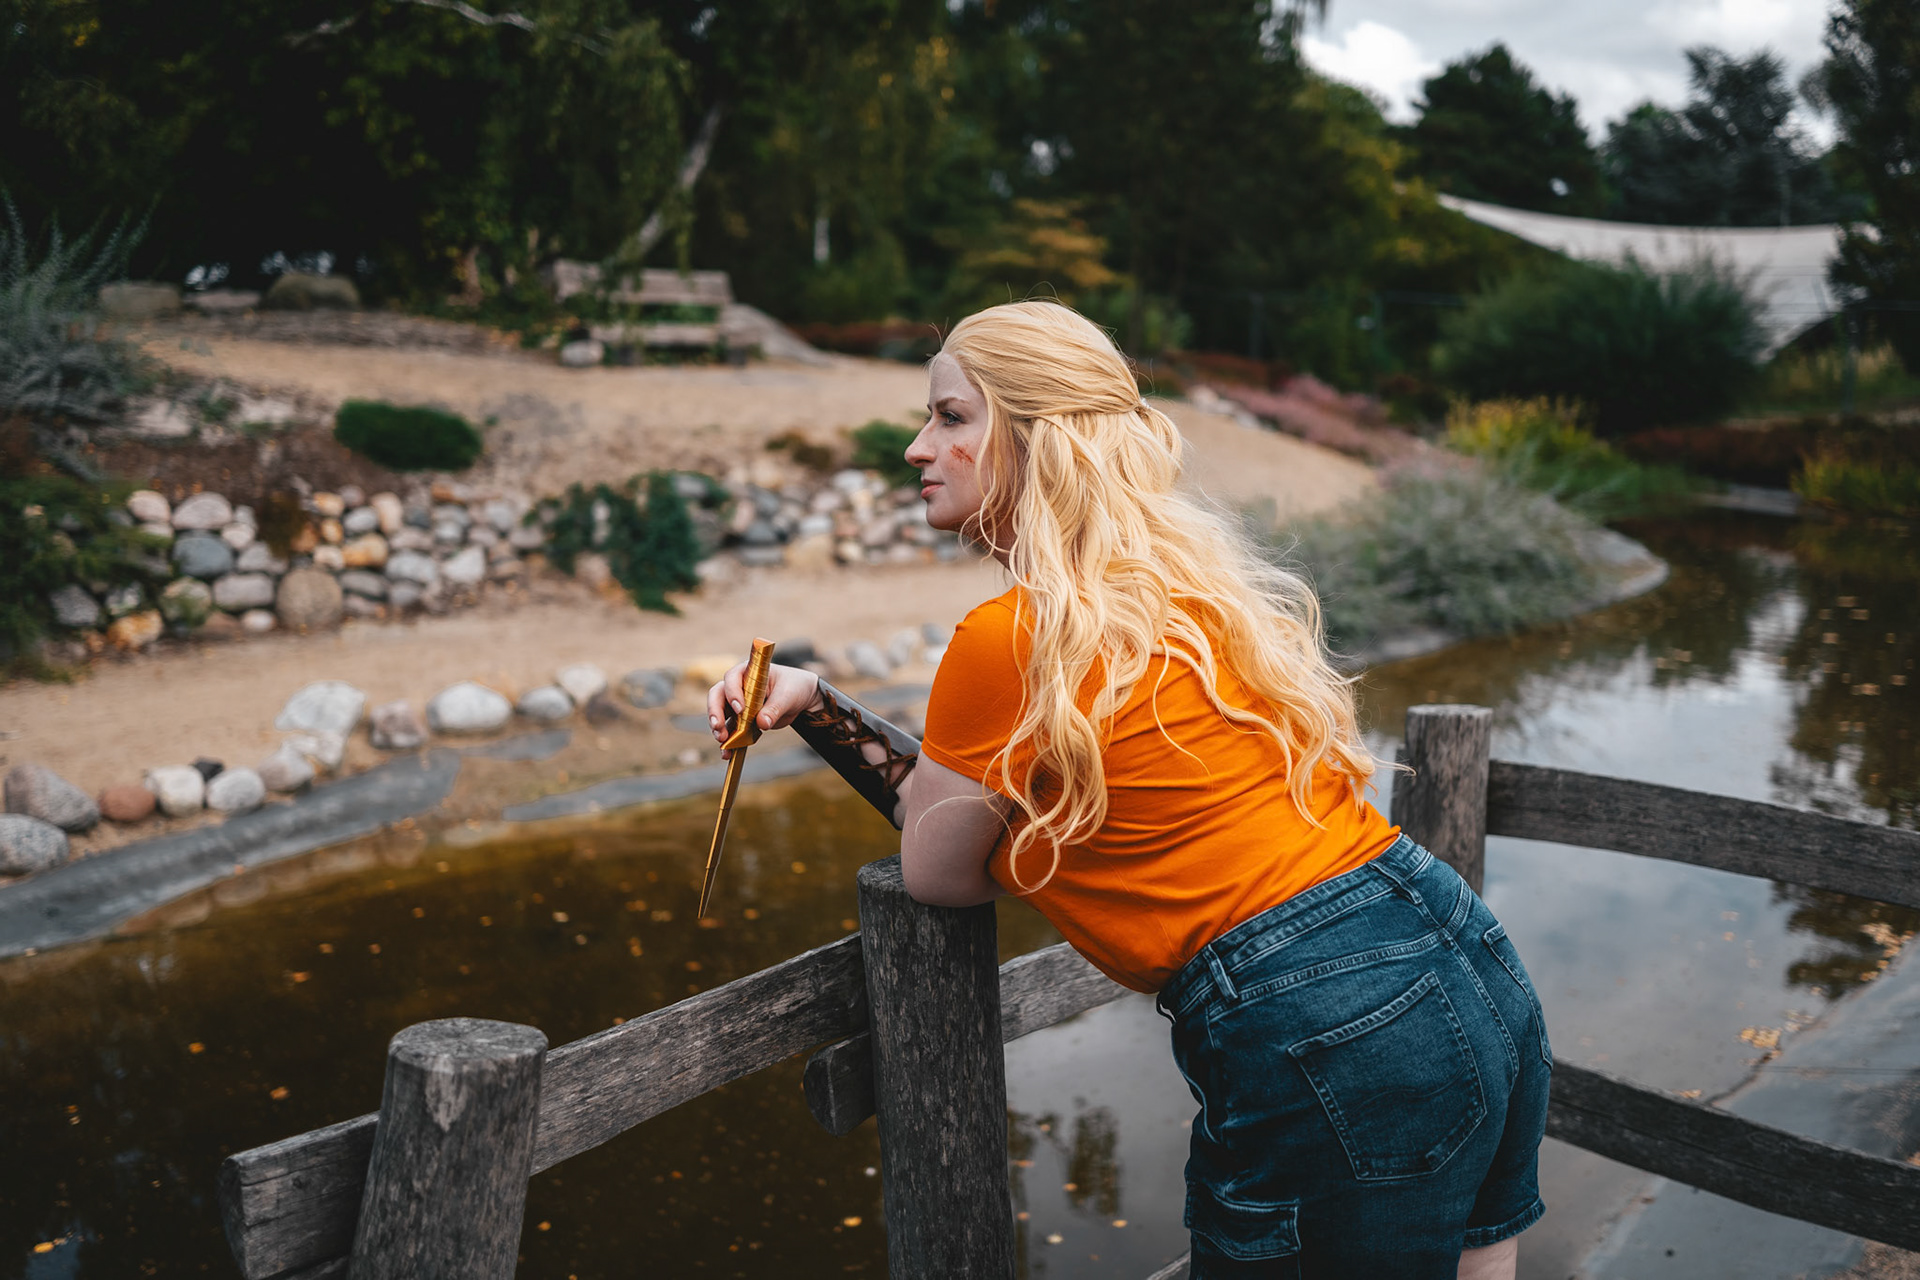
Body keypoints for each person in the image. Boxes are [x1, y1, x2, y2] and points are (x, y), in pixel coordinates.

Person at [709, 300, 1551, 1279]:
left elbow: (936, 868)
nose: (916, 447)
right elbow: (979, 793)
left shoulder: (1006, 638)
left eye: (950, 416)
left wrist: (881, 749)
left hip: (1327, 1024)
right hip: (1462, 947)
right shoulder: (1196, 597)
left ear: (1036, 437)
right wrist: (819, 705)